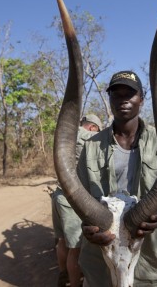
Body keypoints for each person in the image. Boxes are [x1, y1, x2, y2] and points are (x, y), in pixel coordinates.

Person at [74, 70, 157, 287]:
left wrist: (156, 213)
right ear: (109, 100)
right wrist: (89, 227)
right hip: (102, 256)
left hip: (150, 257)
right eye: (116, 94)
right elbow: (78, 196)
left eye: (130, 93)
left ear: (141, 99)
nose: (123, 99)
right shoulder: (91, 146)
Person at [51, 114, 102, 287]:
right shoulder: (89, 137)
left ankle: (62, 274)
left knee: (62, 241)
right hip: (70, 199)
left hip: (58, 194)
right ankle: (74, 284)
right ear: (93, 127)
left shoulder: (66, 134)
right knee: (76, 248)